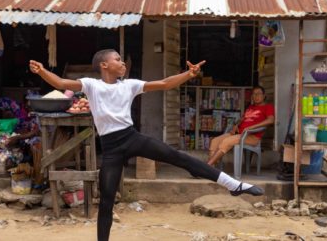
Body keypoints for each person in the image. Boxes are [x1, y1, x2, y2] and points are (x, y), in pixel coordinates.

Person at [29, 49, 264, 241]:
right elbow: (60, 81)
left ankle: (233, 184)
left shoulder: (129, 85)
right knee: (107, 201)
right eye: (118, 60)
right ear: (104, 65)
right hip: (111, 149)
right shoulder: (91, 85)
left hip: (132, 138)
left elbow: (163, 83)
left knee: (179, 158)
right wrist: (42, 71)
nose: (122, 63)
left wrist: (188, 75)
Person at [207, 86, 274, 167]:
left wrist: (251, 127)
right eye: (254, 94)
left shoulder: (268, 107)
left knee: (226, 141)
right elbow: (242, 118)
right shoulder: (250, 107)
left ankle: (207, 166)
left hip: (251, 136)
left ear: (264, 96)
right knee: (215, 141)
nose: (256, 96)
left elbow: (270, 120)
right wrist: (236, 125)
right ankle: (212, 167)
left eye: (258, 94)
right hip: (238, 134)